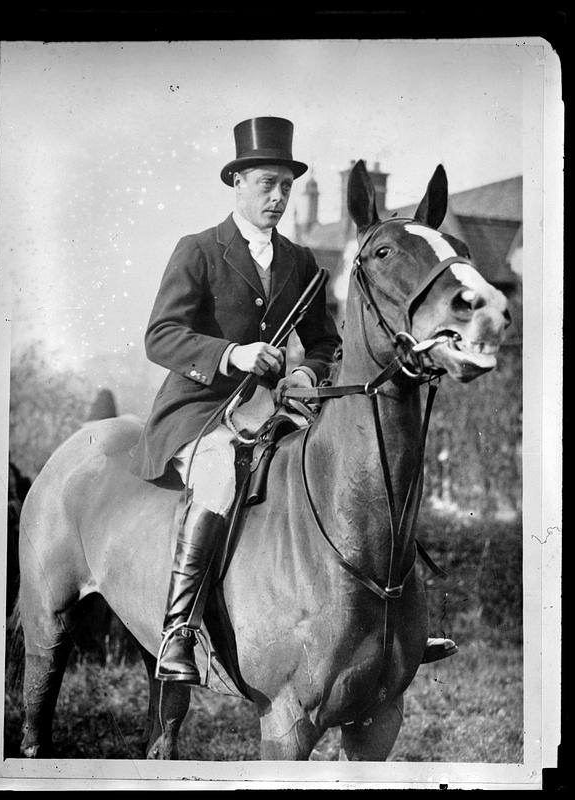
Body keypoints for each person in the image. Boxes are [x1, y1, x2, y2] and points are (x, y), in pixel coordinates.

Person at [130, 116, 457, 684]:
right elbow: (161, 336)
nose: (278, 197)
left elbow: (328, 343)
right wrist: (232, 355)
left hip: (274, 406)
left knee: (353, 469)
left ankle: (388, 622)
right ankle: (179, 631)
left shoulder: (302, 262)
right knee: (216, 477)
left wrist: (306, 371)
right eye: (266, 184)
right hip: (200, 411)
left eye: (285, 186)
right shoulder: (199, 251)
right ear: (237, 184)